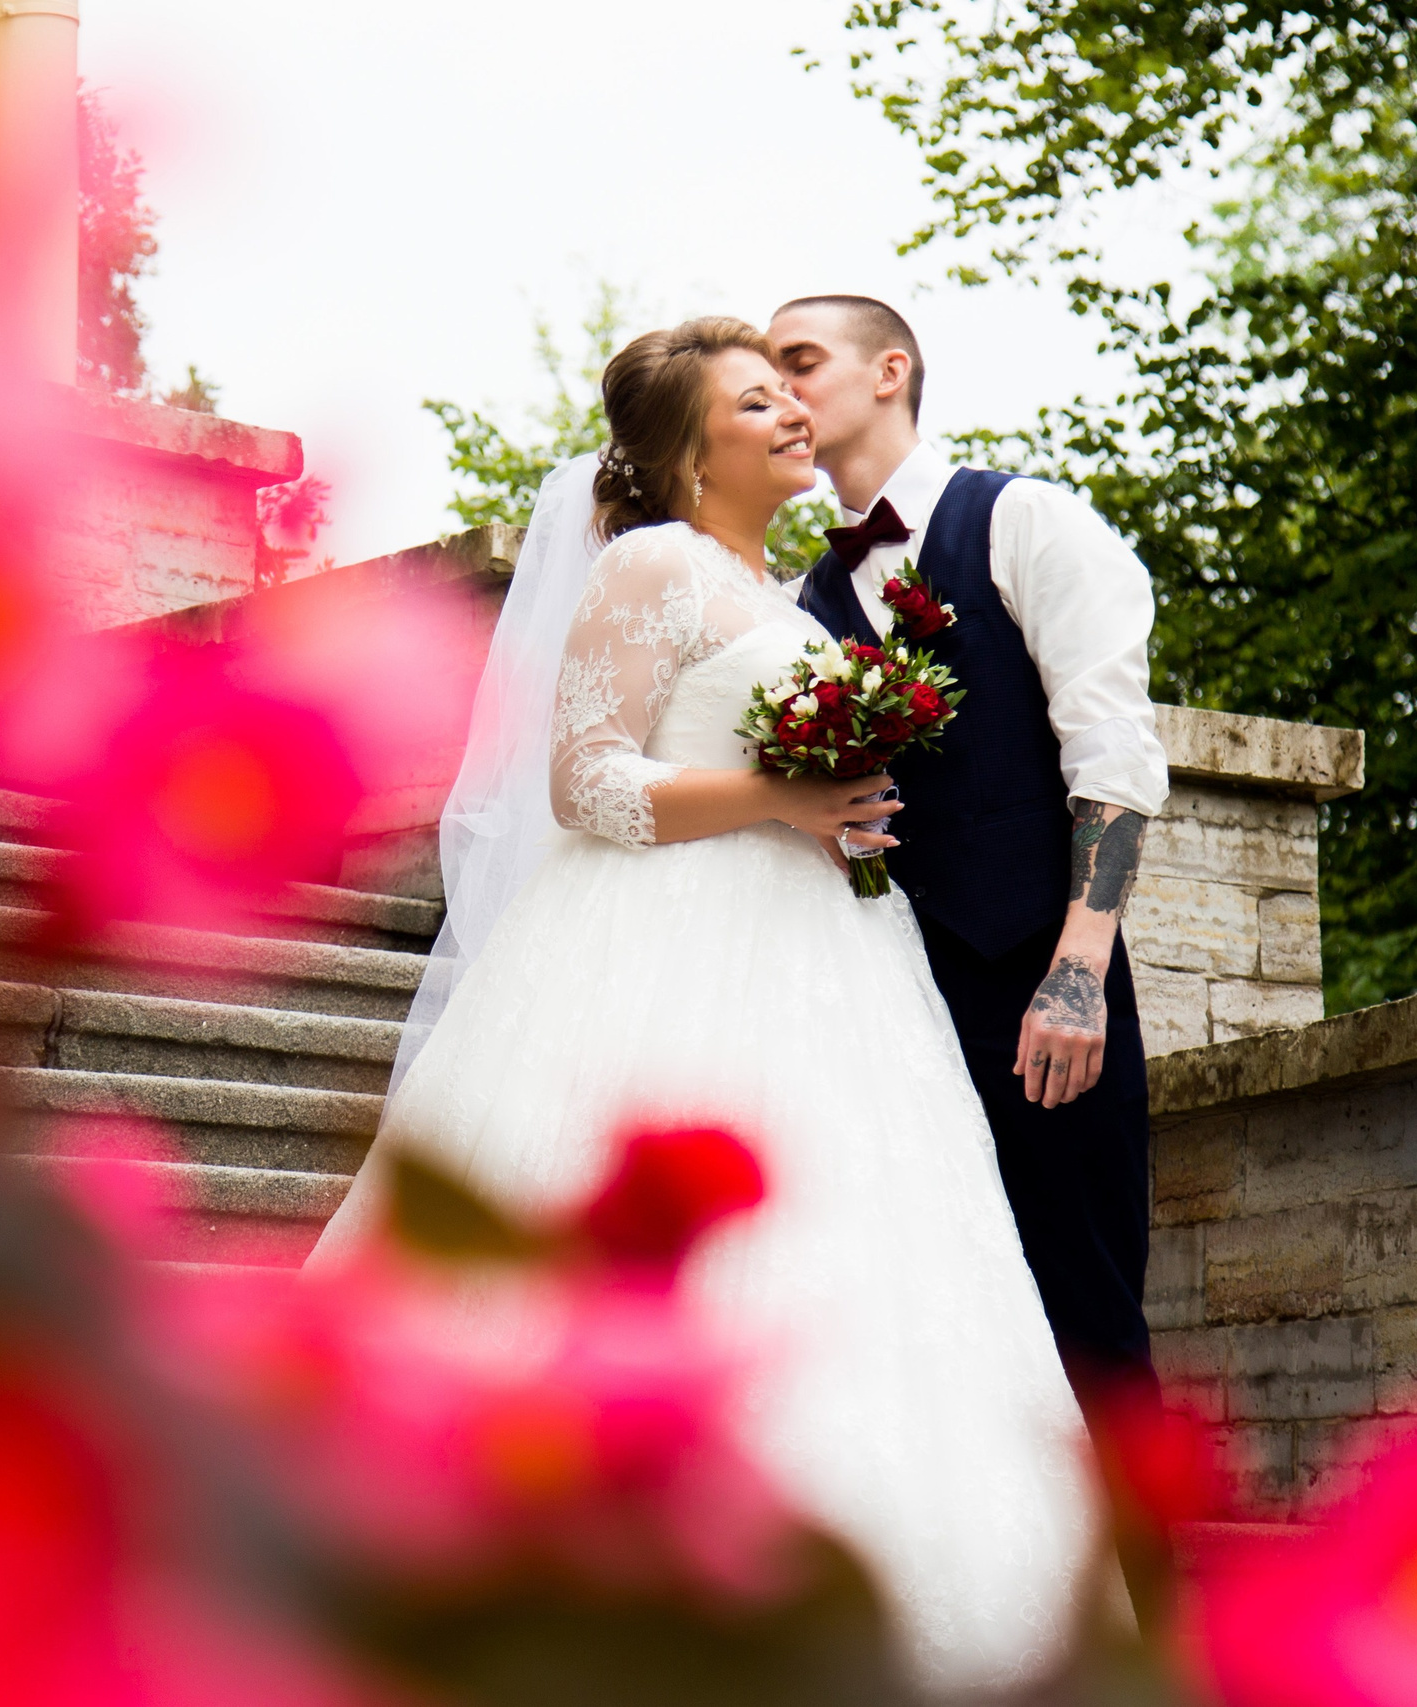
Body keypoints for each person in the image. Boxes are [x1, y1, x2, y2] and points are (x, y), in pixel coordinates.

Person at [311, 318, 1095, 1696]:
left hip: (830, 969)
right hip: (660, 949)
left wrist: (835, 815)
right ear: (689, 452)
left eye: (792, 392)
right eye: (755, 401)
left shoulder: (780, 593)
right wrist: (780, 797)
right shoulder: (652, 563)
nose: (793, 413)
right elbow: (584, 780)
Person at [768, 296, 1166, 1401]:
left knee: (1084, 1314)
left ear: (889, 370)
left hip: (1037, 984)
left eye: (801, 360)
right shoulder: (799, 603)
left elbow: (1115, 759)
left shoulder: (1025, 520)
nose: (779, 390)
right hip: (885, 1003)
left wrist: (1077, 971)